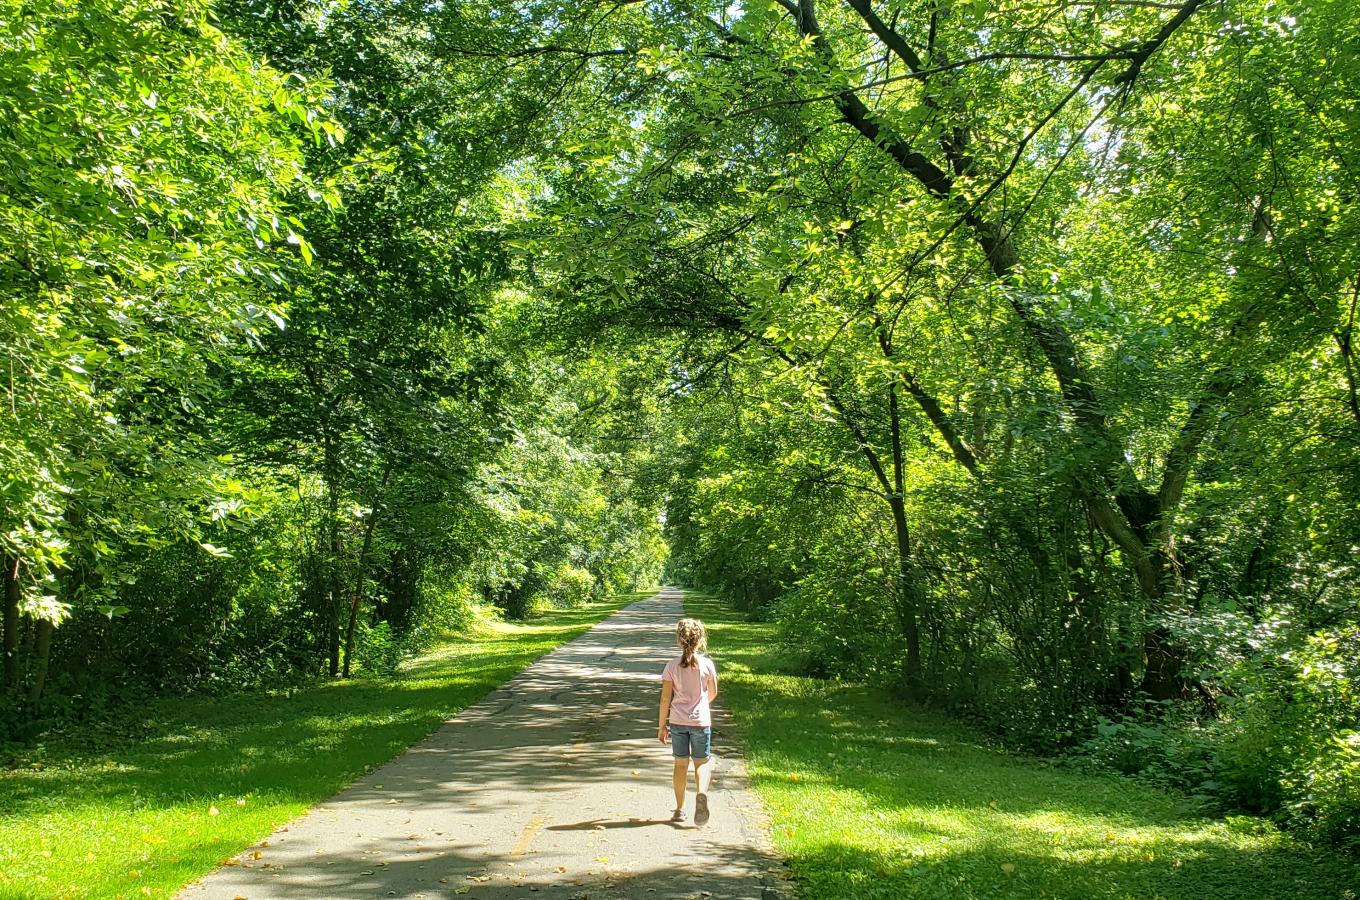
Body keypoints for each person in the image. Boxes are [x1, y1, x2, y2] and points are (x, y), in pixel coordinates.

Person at [657, 617, 719, 825]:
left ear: (679, 640)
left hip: (678, 721)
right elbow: (713, 693)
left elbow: (666, 697)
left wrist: (661, 726)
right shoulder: (707, 665)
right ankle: (701, 793)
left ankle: (680, 809)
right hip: (701, 722)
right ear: (700, 639)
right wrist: (700, 706)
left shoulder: (672, 666)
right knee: (701, 762)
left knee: (680, 764)